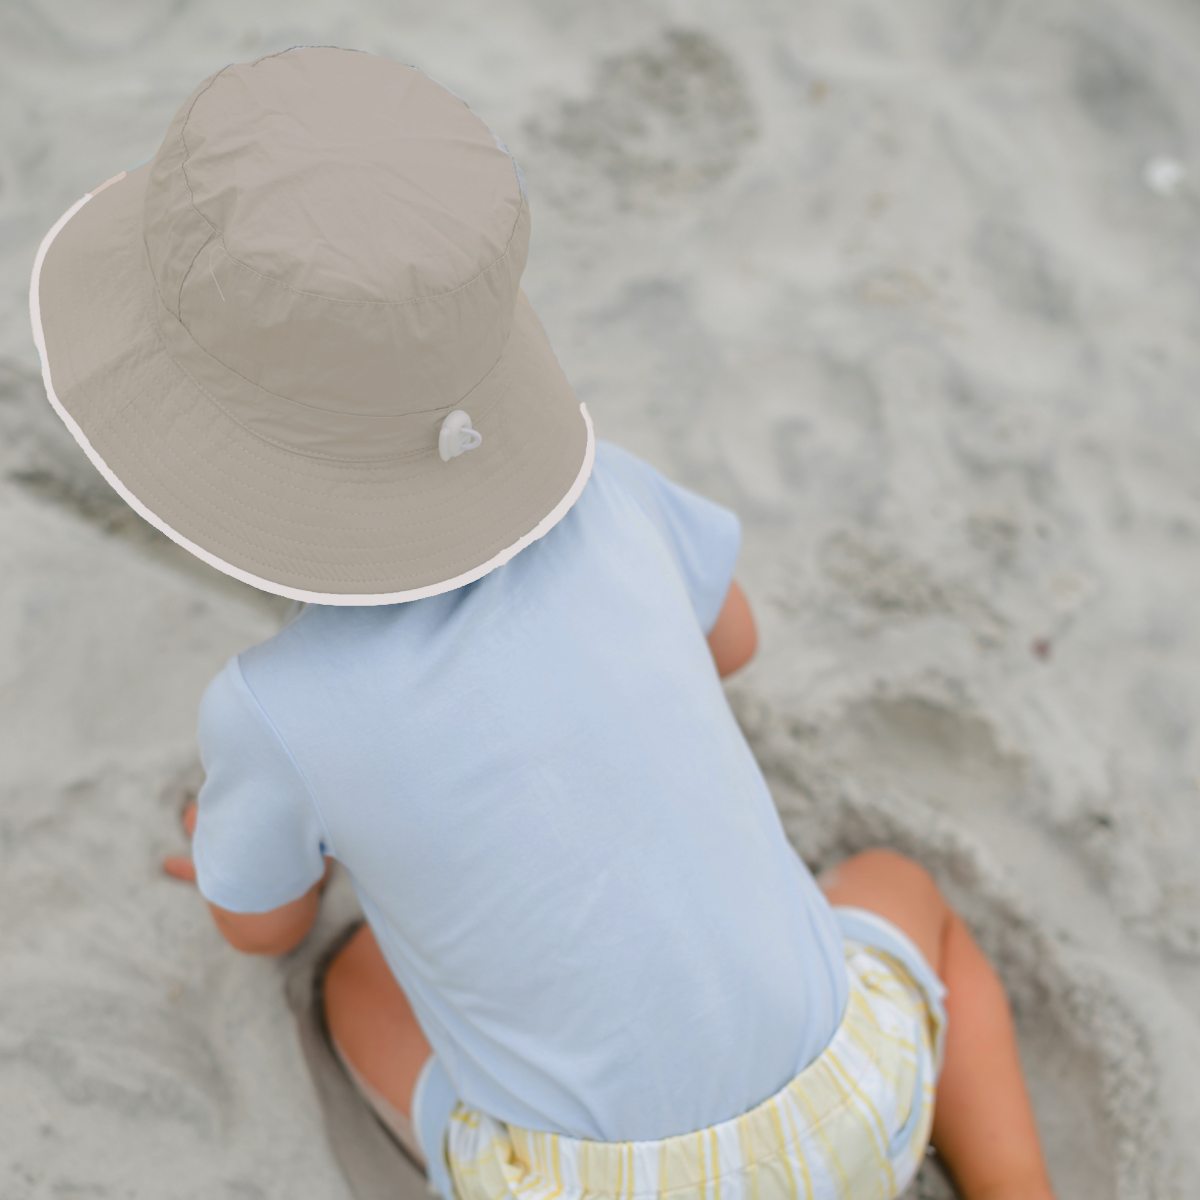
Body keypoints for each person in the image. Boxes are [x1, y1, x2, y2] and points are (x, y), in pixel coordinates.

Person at [31, 46, 1056, 1200]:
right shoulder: (612, 494)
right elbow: (736, 645)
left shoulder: (272, 709)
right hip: (855, 1109)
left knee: (359, 977)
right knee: (894, 881)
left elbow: (260, 933)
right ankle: (1017, 1182)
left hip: (590, 1188)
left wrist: (278, 849)